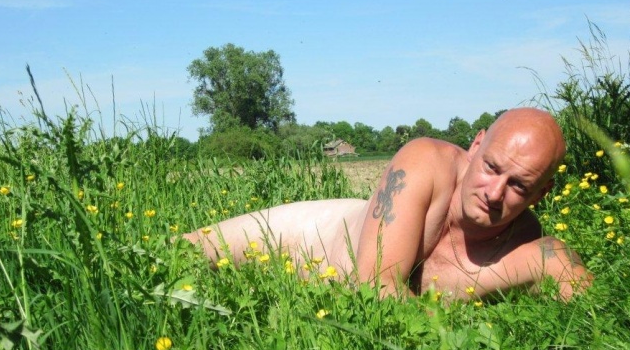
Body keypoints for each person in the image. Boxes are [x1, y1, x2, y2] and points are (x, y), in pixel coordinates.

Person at [183, 107, 591, 301]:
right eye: (491, 167)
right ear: (476, 144)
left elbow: (585, 302)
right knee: (180, 253)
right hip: (313, 231)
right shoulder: (425, 163)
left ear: (542, 194)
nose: (495, 192)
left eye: (518, 185)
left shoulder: (533, 250)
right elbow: (376, 287)